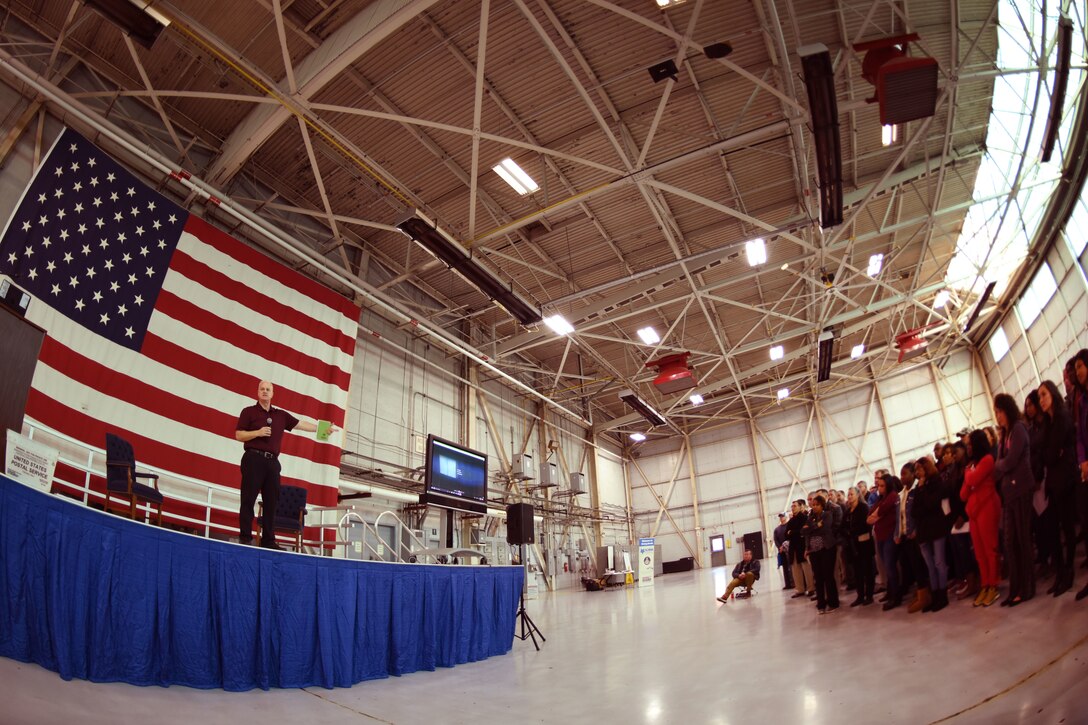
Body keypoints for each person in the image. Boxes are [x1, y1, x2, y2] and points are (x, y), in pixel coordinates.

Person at [235, 379, 334, 548]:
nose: (265, 391)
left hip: (272, 463)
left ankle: (268, 540)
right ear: (258, 392)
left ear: (273, 394)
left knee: (271, 502)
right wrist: (257, 432)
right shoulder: (248, 412)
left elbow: (300, 424)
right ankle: (245, 537)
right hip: (253, 458)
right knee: (248, 499)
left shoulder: (280, 415)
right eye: (262, 389)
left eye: (268, 389)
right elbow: (239, 435)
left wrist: (321, 428)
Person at [993, 393, 1036, 606]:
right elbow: (1002, 463)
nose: (997, 416)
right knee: (1010, 541)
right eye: (995, 412)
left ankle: (1027, 587)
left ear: (1007, 409)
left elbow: (1007, 462)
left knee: (1022, 539)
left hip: (1021, 490)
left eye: (999, 411)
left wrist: (999, 465)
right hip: (1009, 494)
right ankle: (1016, 587)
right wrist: (1001, 465)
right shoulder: (1005, 433)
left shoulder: (1018, 429)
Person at [1038, 380, 1078, 597]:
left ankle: (1069, 570)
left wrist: (1052, 454)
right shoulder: (1047, 423)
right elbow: (1046, 455)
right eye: (1039, 397)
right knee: (1052, 530)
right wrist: (1052, 454)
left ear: (1052, 394)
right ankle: (1060, 572)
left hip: (1065, 481)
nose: (1041, 400)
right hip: (1052, 483)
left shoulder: (1061, 418)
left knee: (1067, 528)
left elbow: (1051, 454)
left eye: (1044, 395)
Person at [962, 429, 1000, 607]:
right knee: (979, 552)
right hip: (974, 512)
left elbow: (972, 480)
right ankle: (985, 585)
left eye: (970, 444)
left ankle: (994, 585)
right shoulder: (972, 465)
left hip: (987, 507)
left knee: (990, 549)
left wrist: (968, 475)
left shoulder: (987, 460)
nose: (968, 447)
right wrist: (969, 477)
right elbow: (963, 494)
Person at [912, 457, 953, 612]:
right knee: (930, 565)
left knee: (939, 563)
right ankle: (935, 595)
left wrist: (922, 491)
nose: (917, 473)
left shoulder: (937, 482)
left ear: (926, 468)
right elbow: (915, 511)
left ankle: (942, 595)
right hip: (923, 530)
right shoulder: (920, 486)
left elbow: (932, 503)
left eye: (919, 469)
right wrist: (922, 494)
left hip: (936, 528)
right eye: (916, 470)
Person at [868, 474, 901, 610]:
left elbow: (880, 511)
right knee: (886, 567)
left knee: (890, 566)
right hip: (881, 536)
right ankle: (890, 592)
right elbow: (870, 515)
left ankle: (896, 596)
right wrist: (876, 515)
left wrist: (876, 515)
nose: (879, 488)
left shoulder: (892, 496)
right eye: (878, 486)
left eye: (882, 486)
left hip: (889, 535)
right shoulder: (881, 499)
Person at [806, 495, 838, 613]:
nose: (814, 507)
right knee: (818, 578)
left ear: (822, 505)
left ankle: (833, 602)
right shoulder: (810, 517)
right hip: (814, 551)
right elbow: (804, 531)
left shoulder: (827, 515)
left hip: (827, 548)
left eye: (817, 504)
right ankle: (821, 604)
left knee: (828, 576)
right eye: (813, 505)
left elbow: (825, 529)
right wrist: (815, 526)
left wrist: (811, 528)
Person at [846, 485, 875, 606]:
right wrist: (848, 532)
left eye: (852, 494)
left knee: (868, 569)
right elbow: (844, 526)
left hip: (865, 542)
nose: (849, 497)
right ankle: (860, 595)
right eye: (848, 495)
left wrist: (852, 531)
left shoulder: (863, 507)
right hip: (853, 545)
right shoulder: (848, 511)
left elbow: (865, 524)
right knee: (858, 571)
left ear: (858, 495)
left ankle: (869, 595)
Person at [786, 499, 815, 599]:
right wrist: (793, 533)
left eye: (795, 506)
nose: (793, 508)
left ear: (800, 506)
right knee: (795, 569)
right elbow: (786, 534)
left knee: (806, 568)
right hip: (793, 547)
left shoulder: (804, 518)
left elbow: (802, 531)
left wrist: (792, 532)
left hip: (802, 546)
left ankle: (811, 588)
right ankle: (800, 589)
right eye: (792, 506)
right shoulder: (791, 520)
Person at [773, 512, 794, 590]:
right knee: (785, 567)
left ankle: (793, 582)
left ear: (786, 517)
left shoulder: (789, 526)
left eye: (782, 516)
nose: (781, 518)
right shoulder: (777, 529)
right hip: (782, 551)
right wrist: (780, 547)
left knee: (792, 566)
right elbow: (776, 540)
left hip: (790, 549)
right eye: (780, 517)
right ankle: (787, 584)